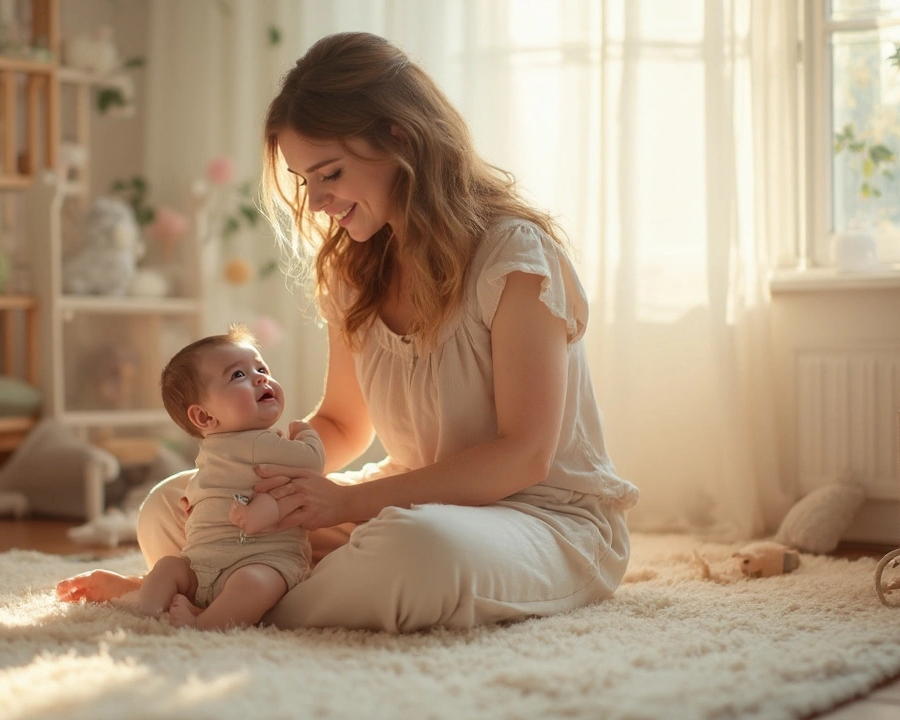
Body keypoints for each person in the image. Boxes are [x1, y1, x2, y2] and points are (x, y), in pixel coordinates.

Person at [114, 30, 638, 633]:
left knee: (415, 551)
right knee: (169, 507)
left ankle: (230, 603)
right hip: (410, 499)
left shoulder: (514, 258)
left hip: (542, 520)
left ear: (401, 137)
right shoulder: (353, 268)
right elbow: (341, 424)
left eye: (329, 172)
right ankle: (247, 591)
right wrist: (247, 475)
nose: (315, 202)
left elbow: (523, 457)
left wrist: (344, 504)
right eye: (305, 180)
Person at [56, 326, 323, 629]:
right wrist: (308, 434)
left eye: (261, 368)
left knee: (250, 583)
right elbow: (313, 460)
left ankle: (187, 616)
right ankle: (148, 602)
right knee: (171, 566)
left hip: (265, 561)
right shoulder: (262, 445)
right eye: (239, 375)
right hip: (206, 561)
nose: (261, 377)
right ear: (205, 417)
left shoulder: (225, 449)